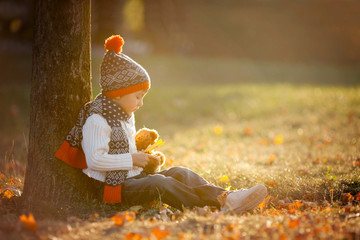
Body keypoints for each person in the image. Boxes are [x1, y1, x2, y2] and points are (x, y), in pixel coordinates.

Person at [55, 35, 267, 214]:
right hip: (113, 186)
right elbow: (95, 160)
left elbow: (121, 149)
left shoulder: (122, 114)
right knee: (161, 183)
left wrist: (142, 155)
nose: (141, 102)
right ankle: (216, 203)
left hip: (133, 176)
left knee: (180, 172)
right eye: (138, 96)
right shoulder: (97, 120)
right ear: (118, 94)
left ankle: (225, 196)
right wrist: (132, 159)